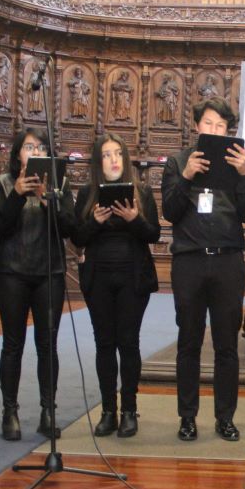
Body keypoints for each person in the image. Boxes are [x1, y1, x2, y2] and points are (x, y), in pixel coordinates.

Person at [161, 98, 245, 442]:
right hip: (189, 260)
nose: (215, 131)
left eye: (222, 126)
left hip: (228, 261)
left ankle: (225, 418)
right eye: (209, 124)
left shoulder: (237, 164)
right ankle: (187, 417)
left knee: (227, 345)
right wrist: (186, 177)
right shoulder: (177, 161)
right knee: (188, 342)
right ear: (197, 126)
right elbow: (170, 212)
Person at [0, 128, 77, 441]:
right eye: (29, 147)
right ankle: (9, 410)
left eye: (41, 148)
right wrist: (18, 194)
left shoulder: (60, 184)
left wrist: (46, 199)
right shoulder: (1, 183)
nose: (35, 152)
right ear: (17, 155)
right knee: (13, 344)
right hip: (11, 271)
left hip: (48, 272)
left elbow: (69, 227)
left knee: (47, 344)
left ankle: (47, 409)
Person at [73, 133, 161, 438]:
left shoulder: (142, 192)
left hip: (132, 277)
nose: (113, 160)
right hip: (98, 277)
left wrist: (135, 218)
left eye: (118, 154)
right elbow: (77, 238)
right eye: (107, 155)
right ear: (99, 162)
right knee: (104, 343)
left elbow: (154, 234)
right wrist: (95, 222)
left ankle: (128, 410)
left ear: (125, 160)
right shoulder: (87, 193)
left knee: (129, 342)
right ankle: (108, 410)